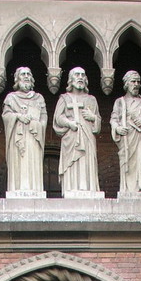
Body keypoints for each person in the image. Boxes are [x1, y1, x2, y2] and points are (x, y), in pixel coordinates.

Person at [53, 67, 102, 196]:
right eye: (77, 75)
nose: (80, 77)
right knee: (73, 163)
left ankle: (89, 189)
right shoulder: (64, 98)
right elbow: (58, 118)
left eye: (82, 75)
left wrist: (93, 118)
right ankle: (72, 188)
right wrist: (69, 123)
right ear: (71, 79)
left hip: (87, 136)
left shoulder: (91, 99)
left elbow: (97, 121)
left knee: (87, 159)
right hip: (71, 137)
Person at [110, 71, 141, 196]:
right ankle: (129, 190)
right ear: (126, 84)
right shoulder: (120, 102)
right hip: (128, 137)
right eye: (133, 81)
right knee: (129, 164)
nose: (136, 84)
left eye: (138, 82)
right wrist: (117, 128)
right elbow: (114, 119)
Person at [3, 67, 47, 194]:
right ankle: (16, 189)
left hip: (34, 135)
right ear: (17, 79)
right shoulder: (11, 98)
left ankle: (35, 189)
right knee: (19, 161)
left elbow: (44, 117)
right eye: (23, 74)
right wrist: (18, 116)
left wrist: (38, 125)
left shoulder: (39, 98)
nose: (26, 76)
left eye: (29, 74)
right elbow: (6, 116)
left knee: (33, 160)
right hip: (18, 136)